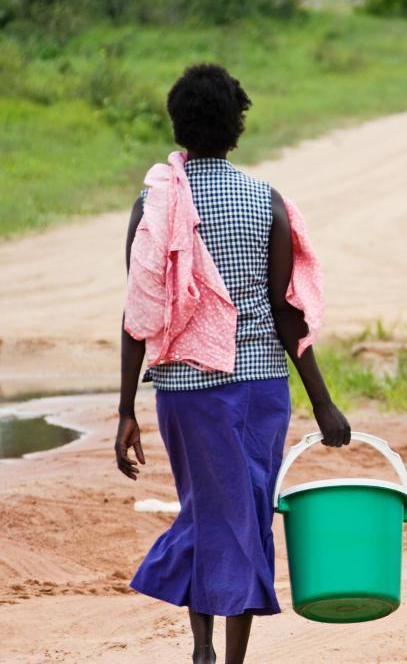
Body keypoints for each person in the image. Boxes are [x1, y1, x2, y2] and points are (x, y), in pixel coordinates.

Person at [113, 63, 351, 664]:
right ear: (236, 126)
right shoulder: (265, 201)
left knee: (206, 507)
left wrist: (125, 412)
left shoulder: (154, 203)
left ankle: (201, 647)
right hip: (260, 391)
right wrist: (322, 402)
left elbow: (138, 311)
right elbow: (287, 314)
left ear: (178, 125)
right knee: (245, 512)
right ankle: (232, 658)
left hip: (184, 391)